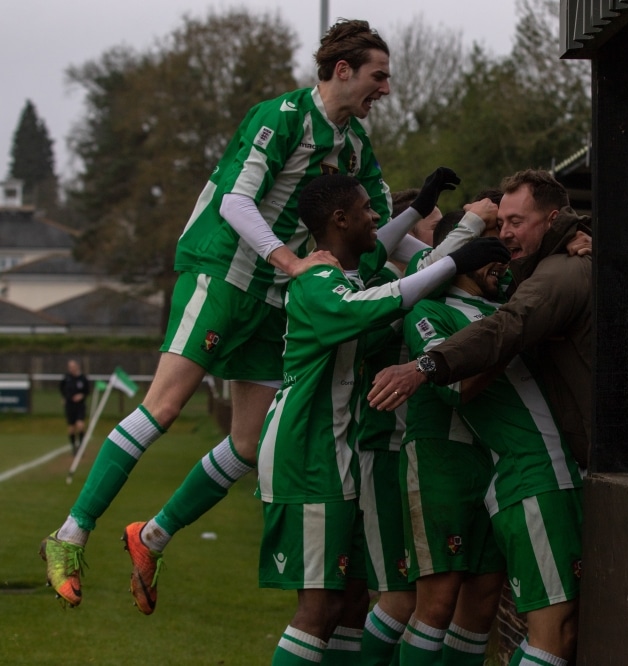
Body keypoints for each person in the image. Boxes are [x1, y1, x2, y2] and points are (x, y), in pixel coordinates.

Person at [38, 18, 405, 613]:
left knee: (248, 442)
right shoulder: (280, 117)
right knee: (163, 406)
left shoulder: (357, 147)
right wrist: (290, 263)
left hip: (271, 298)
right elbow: (236, 201)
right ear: (343, 71)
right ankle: (69, 534)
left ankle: (149, 537)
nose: (385, 89)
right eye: (377, 76)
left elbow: (378, 228)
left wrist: (457, 246)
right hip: (223, 275)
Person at [256, 173, 509, 664]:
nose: (377, 217)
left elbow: (401, 263)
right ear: (339, 219)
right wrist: (463, 246)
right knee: (320, 607)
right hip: (307, 454)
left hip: (336, 455)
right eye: (368, 209)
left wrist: (420, 213)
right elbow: (380, 302)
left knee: (350, 603)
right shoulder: (316, 281)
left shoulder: (349, 273)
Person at [368, 169, 628, 494]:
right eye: (499, 225)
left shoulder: (563, 272)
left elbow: (511, 325)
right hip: (624, 461)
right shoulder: (552, 263)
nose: (505, 235)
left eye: (514, 222)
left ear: (551, 220)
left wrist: (424, 366)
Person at [400, 232, 582, 666]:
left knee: (559, 624)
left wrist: (572, 241)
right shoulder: (432, 311)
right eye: (485, 253)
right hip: (528, 473)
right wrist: (515, 334)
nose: (499, 259)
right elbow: (454, 386)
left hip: (555, 470)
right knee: (552, 631)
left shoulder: (510, 304)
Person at [59, 360, 90, 455]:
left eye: (73, 366)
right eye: (70, 367)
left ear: (77, 366)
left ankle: (81, 447)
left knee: (80, 425)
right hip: (69, 405)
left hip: (80, 405)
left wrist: (82, 395)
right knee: (71, 428)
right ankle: (74, 448)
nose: (71, 368)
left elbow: (87, 390)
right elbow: (61, 388)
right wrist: (64, 397)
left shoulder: (83, 378)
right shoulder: (66, 378)